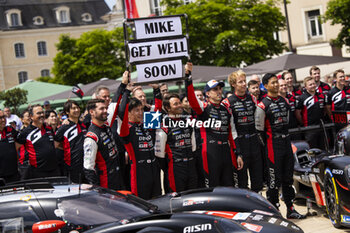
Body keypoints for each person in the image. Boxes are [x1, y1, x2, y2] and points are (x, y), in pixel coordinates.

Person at [255, 73, 305, 219]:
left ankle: (290, 209)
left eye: (277, 82)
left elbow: (288, 121)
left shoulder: (284, 101)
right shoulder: (262, 105)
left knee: (288, 179)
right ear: (265, 86)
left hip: (286, 142)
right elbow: (259, 131)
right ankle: (274, 213)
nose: (276, 85)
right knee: (273, 181)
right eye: (273, 83)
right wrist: (268, 146)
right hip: (272, 145)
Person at [185, 62, 243, 188]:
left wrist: (238, 153)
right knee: (212, 187)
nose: (218, 91)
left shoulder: (226, 109)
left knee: (229, 186)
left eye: (220, 88)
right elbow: (191, 98)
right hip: (210, 152)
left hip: (225, 152)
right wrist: (188, 77)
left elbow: (232, 133)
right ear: (208, 94)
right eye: (215, 89)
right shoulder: (203, 107)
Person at [116, 72, 162, 199]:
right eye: (137, 110)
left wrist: (156, 89)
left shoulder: (146, 123)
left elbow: (158, 109)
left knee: (158, 200)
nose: (141, 113)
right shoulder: (126, 129)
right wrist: (126, 91)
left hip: (154, 169)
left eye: (141, 109)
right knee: (142, 203)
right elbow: (121, 111)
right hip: (139, 172)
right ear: (129, 113)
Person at [223, 70, 263, 193]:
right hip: (239, 142)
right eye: (240, 82)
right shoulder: (228, 102)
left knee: (258, 179)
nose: (244, 84)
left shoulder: (252, 98)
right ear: (233, 84)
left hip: (254, 141)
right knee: (242, 181)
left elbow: (258, 120)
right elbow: (231, 129)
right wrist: (237, 151)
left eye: (244, 81)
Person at [155, 93, 197, 192]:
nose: (179, 106)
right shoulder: (164, 124)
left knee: (193, 196)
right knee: (177, 198)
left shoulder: (188, 121)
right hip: (175, 168)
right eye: (175, 104)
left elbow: (193, 146)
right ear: (167, 108)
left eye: (179, 103)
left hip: (191, 166)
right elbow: (159, 154)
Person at [83, 99, 124, 190]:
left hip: (117, 177)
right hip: (106, 183)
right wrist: (97, 190)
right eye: (101, 109)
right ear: (92, 112)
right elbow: (88, 167)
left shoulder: (106, 126)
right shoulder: (91, 137)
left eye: (106, 108)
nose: (105, 111)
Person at [17, 104, 59, 179]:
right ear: (31, 116)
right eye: (38, 113)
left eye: (42, 112)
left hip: (54, 171)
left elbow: (55, 145)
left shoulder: (48, 128)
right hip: (37, 173)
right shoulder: (25, 132)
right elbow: (15, 148)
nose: (42, 115)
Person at [54, 100, 87, 183]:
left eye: (77, 107)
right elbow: (55, 145)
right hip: (72, 166)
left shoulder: (83, 124)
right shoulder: (63, 127)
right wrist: (66, 148)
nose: (76, 110)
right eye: (73, 108)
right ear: (67, 112)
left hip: (86, 165)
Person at [295, 76, 326, 149]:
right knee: (312, 150)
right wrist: (303, 123)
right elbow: (297, 113)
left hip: (321, 126)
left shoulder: (321, 96)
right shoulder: (302, 98)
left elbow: (324, 110)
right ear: (305, 87)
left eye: (314, 84)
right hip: (309, 128)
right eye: (310, 84)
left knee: (323, 149)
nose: (313, 86)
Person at [0, 109, 20, 183]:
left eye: (4, 117)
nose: (3, 120)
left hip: (14, 174)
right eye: (0, 118)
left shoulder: (10, 130)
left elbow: (21, 139)